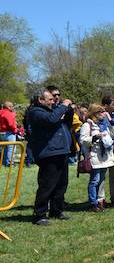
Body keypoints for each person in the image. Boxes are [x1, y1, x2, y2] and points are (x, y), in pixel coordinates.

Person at [29, 88, 74, 225]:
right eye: (50, 99)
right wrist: (63, 105)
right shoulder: (36, 112)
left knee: (61, 184)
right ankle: (40, 214)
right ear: (40, 100)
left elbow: (67, 121)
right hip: (49, 153)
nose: (53, 101)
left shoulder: (52, 111)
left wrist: (68, 109)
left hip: (61, 151)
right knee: (47, 185)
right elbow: (52, 120)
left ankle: (56, 210)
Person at [79, 104, 114, 212]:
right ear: (95, 113)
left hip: (104, 156)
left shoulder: (103, 125)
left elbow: (113, 132)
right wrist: (95, 137)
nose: (104, 114)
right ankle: (93, 203)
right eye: (101, 112)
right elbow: (82, 140)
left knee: (102, 180)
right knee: (95, 180)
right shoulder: (87, 125)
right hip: (94, 156)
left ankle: (101, 201)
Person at [0, 101, 18, 166]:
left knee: (4, 148)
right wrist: (15, 130)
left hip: (1, 132)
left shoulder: (0, 112)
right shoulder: (8, 113)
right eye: (12, 106)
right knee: (11, 148)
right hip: (9, 132)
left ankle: (4, 162)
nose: (13, 107)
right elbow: (11, 124)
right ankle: (10, 163)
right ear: (8, 107)